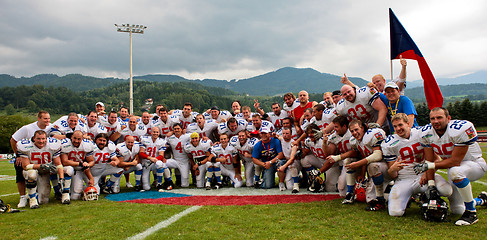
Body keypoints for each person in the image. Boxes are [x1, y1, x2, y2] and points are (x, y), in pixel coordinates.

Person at [415, 107, 487, 225]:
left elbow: (455, 161)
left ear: (448, 118)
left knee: (454, 171)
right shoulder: (426, 133)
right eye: (432, 118)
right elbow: (429, 161)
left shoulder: (459, 129)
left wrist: (429, 166)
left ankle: (471, 213)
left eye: (439, 117)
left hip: (475, 164)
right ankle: (481, 200)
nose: (436, 121)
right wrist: (431, 185)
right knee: (457, 210)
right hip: (454, 168)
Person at [382, 113, 452, 217]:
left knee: (446, 190)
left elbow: (437, 160)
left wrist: (427, 173)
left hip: (425, 176)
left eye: (400, 125)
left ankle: (431, 198)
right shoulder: (389, 143)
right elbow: (393, 175)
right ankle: (410, 198)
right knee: (395, 212)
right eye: (395, 126)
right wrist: (392, 169)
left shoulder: (421, 134)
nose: (398, 129)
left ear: (408, 123)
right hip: (404, 179)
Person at [327, 120, 389, 210]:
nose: (354, 133)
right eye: (352, 131)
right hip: (373, 167)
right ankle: (350, 193)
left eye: (356, 129)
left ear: (362, 128)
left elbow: (378, 155)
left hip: (385, 165)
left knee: (373, 167)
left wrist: (358, 164)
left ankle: (386, 197)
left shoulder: (373, 134)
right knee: (349, 160)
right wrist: (362, 173)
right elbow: (362, 154)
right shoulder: (354, 140)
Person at [10, 110, 52, 208]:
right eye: (45, 118)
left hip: (40, 157)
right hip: (25, 157)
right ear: (39, 118)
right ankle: (22, 197)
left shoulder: (50, 127)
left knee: (43, 198)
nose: (47, 121)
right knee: (22, 174)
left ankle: (35, 194)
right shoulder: (27, 128)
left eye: (49, 118)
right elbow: (13, 140)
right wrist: (18, 155)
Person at [17, 130, 64, 208]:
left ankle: (31, 194)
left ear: (46, 139)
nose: (41, 141)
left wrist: (61, 178)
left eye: (43, 139)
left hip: (45, 172)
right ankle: (32, 200)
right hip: (33, 170)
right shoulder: (26, 146)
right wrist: (40, 166)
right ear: (34, 139)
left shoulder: (52, 145)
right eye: (38, 139)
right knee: (31, 174)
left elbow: (58, 164)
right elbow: (25, 166)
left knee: (43, 201)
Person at [319, 116, 354, 199]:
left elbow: (356, 152)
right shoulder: (334, 136)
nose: (334, 129)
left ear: (344, 126)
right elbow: (329, 153)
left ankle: (355, 186)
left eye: (336, 127)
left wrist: (338, 157)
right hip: (340, 162)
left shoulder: (352, 134)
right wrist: (324, 143)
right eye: (334, 127)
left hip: (352, 162)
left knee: (342, 189)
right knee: (330, 188)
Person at [301, 123, 340, 192]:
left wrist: (318, 172)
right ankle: (313, 180)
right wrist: (299, 154)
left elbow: (330, 159)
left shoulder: (325, 140)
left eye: (312, 132)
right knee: (305, 160)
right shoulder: (308, 141)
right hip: (320, 161)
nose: (310, 135)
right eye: (309, 133)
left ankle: (335, 180)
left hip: (332, 165)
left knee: (330, 189)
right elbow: (305, 152)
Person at [59, 130, 95, 202]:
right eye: (74, 138)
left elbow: (92, 161)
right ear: (71, 137)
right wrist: (80, 164)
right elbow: (65, 162)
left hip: (79, 170)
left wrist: (87, 165)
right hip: (68, 168)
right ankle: (62, 191)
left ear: (82, 139)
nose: (76, 141)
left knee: (75, 196)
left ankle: (81, 188)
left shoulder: (87, 145)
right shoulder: (65, 144)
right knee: (69, 170)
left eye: (79, 139)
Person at [138, 127, 173, 191]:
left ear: (159, 133)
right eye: (154, 132)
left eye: (157, 132)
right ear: (151, 132)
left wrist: (154, 159)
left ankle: (159, 184)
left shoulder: (161, 141)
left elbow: (161, 156)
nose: (155, 133)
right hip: (146, 164)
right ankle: (166, 182)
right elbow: (141, 153)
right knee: (146, 188)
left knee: (160, 163)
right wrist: (150, 158)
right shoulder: (144, 139)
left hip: (155, 162)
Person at [165, 123, 192, 187]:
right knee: (162, 164)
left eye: (178, 128)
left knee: (185, 185)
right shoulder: (170, 138)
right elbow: (163, 145)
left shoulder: (187, 136)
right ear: (173, 130)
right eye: (175, 129)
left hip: (185, 161)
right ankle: (168, 181)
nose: (176, 130)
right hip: (175, 160)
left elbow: (196, 137)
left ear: (181, 129)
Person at [276, 127, 301, 192]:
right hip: (287, 162)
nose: (285, 135)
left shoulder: (293, 144)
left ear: (291, 134)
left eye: (287, 133)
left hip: (295, 163)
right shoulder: (282, 140)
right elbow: (278, 136)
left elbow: (292, 159)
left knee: (292, 165)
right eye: (283, 133)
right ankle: (297, 178)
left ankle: (297, 182)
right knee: (289, 186)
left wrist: (284, 167)